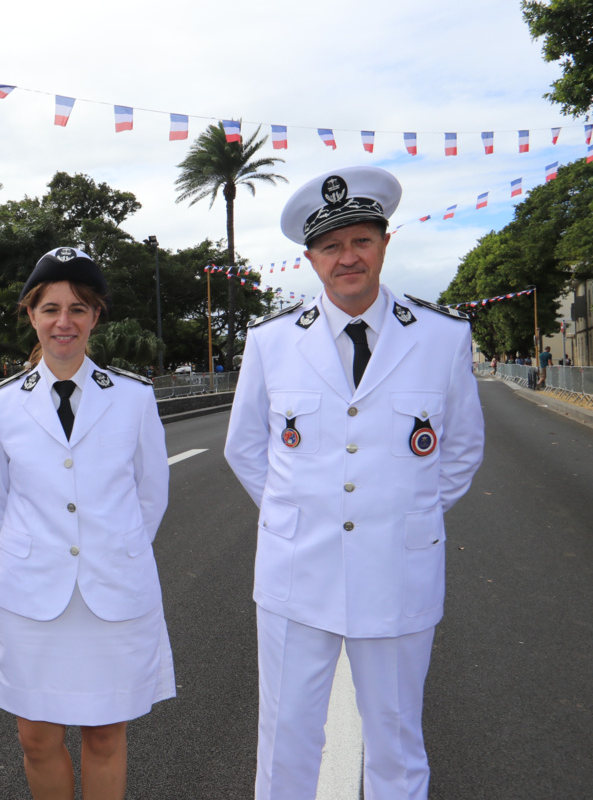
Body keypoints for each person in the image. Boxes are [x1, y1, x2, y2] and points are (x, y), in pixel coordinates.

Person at [224, 166, 485, 800]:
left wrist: (399, 511)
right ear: (311, 259)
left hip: (397, 568)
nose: (348, 258)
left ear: (385, 244)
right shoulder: (271, 341)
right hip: (296, 569)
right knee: (285, 740)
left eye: (361, 241)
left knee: (396, 740)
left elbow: (460, 452)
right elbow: (246, 448)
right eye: (331, 247)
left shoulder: (443, 338)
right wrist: (298, 511)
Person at [0, 247, 173, 800]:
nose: (65, 321)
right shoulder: (2, 405)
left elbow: (150, 495)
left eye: (79, 309)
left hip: (113, 589)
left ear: (96, 317)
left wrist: (108, 549)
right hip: (32, 596)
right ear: (31, 315)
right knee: (36, 737)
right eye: (51, 308)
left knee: (106, 734)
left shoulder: (133, 398)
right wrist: (42, 551)